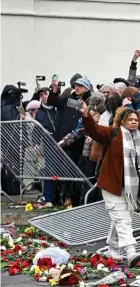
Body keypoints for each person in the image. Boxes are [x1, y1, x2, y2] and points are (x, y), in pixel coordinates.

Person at [80, 104, 140, 267]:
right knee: (123, 219)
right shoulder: (113, 133)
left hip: (130, 187)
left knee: (123, 218)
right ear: (122, 121)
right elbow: (94, 130)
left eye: (136, 120)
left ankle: (112, 248)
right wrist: (85, 115)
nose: (134, 122)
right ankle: (130, 250)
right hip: (111, 184)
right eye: (130, 119)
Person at [48, 77, 92, 207]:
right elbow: (52, 101)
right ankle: (67, 197)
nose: (77, 88)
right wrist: (55, 91)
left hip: (83, 143)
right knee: (67, 171)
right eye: (75, 85)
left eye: (80, 86)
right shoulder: (70, 100)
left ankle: (79, 201)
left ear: (87, 88)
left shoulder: (90, 101)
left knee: (80, 173)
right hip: (68, 142)